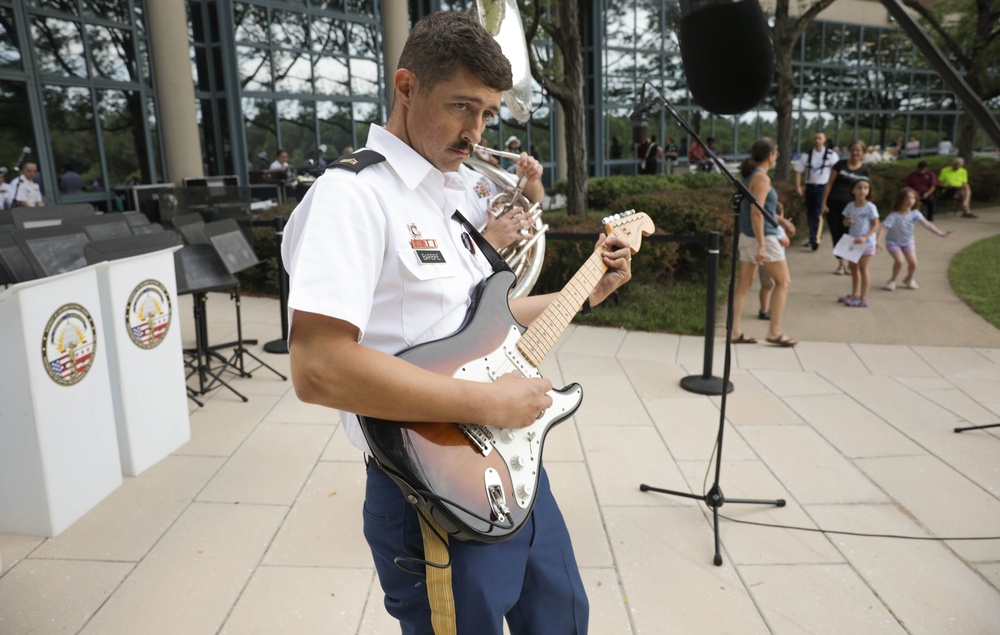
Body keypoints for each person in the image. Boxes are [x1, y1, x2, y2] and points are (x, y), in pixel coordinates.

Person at [279, 12, 633, 633]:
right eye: (462, 107)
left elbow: (485, 325)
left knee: (563, 619)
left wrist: (587, 288)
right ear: (406, 86)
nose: (474, 132)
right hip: (428, 486)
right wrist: (490, 404)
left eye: (488, 114)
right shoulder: (352, 197)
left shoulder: (454, 189)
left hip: (508, 457)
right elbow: (318, 367)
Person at [729, 137, 796, 347]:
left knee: (744, 285)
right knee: (783, 282)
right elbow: (756, 214)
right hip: (762, 237)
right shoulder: (762, 179)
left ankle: (734, 331)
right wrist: (762, 245)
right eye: (775, 154)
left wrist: (782, 221)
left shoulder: (751, 177)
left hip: (747, 236)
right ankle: (775, 331)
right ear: (770, 155)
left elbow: (761, 210)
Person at [877, 186, 952, 291]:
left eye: (912, 198)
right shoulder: (894, 215)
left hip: (908, 242)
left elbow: (927, 224)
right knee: (899, 261)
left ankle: (909, 279)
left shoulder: (915, 213)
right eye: (907, 198)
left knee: (913, 263)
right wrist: (878, 241)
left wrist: (940, 233)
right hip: (893, 242)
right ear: (900, 200)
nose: (910, 201)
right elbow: (884, 228)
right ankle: (892, 280)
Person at [822, 140, 869, 276]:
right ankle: (840, 264)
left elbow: (865, 188)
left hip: (852, 208)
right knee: (836, 234)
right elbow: (829, 184)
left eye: (858, 150)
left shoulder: (864, 170)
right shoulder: (840, 165)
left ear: (863, 153)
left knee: (850, 234)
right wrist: (823, 203)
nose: (855, 153)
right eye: (853, 150)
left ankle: (850, 263)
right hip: (834, 205)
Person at [838, 177, 880, 308]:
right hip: (853, 242)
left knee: (863, 269)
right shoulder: (850, 206)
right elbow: (844, 221)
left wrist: (865, 237)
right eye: (859, 188)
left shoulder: (870, 207)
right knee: (853, 269)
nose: (862, 191)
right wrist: (847, 222)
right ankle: (855, 293)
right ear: (853, 190)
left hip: (867, 243)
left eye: (865, 188)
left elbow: (875, 225)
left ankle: (864, 296)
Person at [794, 131, 837, 251]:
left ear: (824, 140)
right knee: (811, 213)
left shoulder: (831, 155)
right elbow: (798, 171)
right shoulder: (807, 155)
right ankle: (813, 235)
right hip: (810, 187)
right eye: (815, 138)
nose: (817, 140)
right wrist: (798, 186)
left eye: (820, 138)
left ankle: (815, 239)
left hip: (823, 187)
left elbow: (836, 171)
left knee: (818, 213)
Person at [757, 201, 795, 320]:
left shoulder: (764, 226)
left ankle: (764, 308)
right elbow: (786, 242)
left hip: (763, 262)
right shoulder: (776, 228)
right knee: (773, 285)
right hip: (772, 261)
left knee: (766, 285)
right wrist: (784, 229)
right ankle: (765, 309)